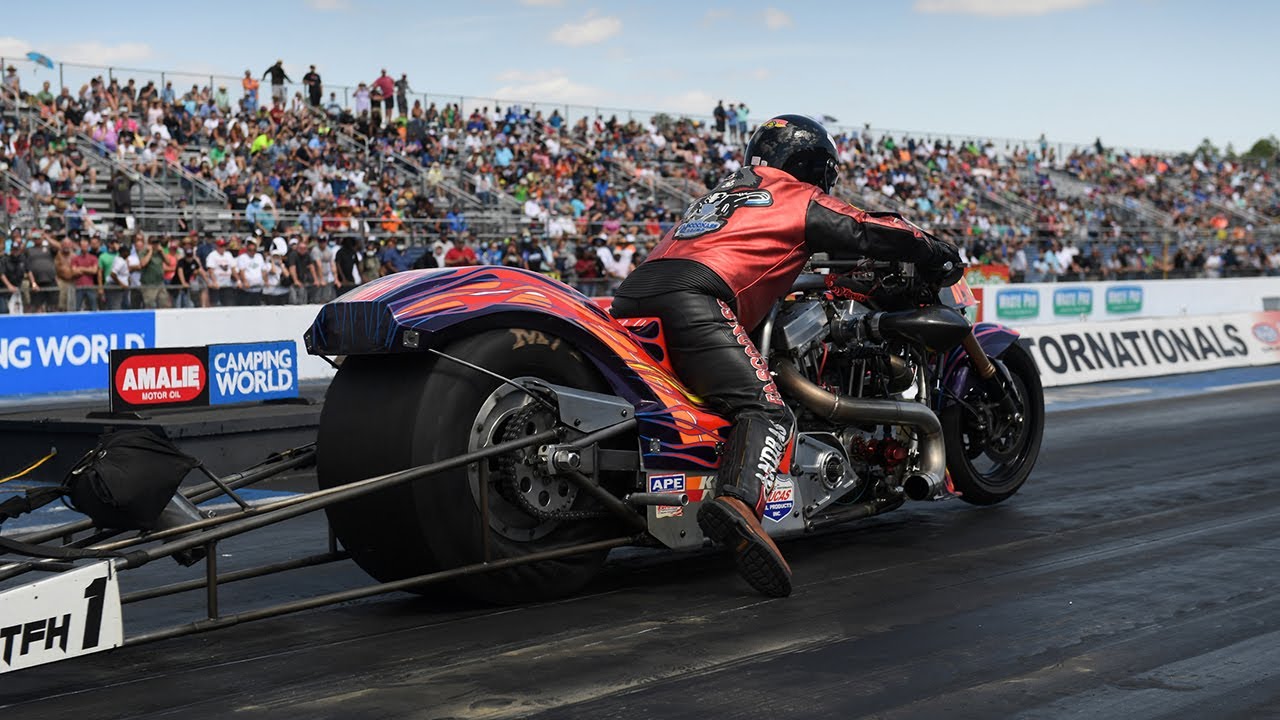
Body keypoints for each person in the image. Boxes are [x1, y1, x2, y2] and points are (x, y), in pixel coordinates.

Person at [611, 115, 963, 598]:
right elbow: (866, 228)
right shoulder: (797, 196)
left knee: (719, 398)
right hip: (696, 297)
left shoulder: (720, 193)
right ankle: (738, 504)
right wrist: (935, 251)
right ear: (815, 166)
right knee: (767, 410)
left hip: (636, 293)